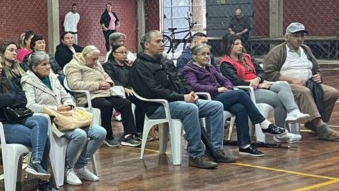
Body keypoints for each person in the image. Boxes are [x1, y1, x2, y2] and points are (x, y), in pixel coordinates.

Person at [129, 30, 232, 169]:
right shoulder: (140, 66)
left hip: (177, 101)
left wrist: (190, 92)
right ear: (146, 45)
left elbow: (180, 79)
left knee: (216, 106)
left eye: (162, 41)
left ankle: (215, 150)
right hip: (157, 107)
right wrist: (182, 97)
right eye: (158, 41)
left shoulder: (165, 61)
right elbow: (154, 90)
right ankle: (196, 155)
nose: (162, 44)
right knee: (190, 108)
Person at [0, 50, 59, 191]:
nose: (0, 66)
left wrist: (4, 98)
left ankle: (36, 161)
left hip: (15, 119)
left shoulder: (4, 81)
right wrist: (8, 97)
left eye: (1, 63)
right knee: (42, 138)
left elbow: (22, 99)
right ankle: (43, 183)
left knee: (42, 120)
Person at [180, 44, 288, 156]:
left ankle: (245, 145)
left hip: (220, 96)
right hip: (207, 99)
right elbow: (194, 86)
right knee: (240, 94)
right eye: (203, 54)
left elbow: (225, 80)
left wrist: (229, 89)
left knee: (240, 108)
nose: (207, 56)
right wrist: (216, 89)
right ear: (194, 56)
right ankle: (263, 123)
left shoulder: (210, 67)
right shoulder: (189, 70)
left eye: (208, 54)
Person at [21, 52, 104, 185]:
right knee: (80, 135)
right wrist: (55, 109)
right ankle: (67, 169)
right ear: (34, 68)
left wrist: (69, 104)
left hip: (67, 118)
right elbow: (30, 105)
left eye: (48, 63)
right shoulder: (27, 81)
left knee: (100, 133)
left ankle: (80, 166)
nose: (48, 67)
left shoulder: (53, 77)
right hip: (50, 121)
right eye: (44, 64)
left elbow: (66, 96)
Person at [261, 23, 339, 142]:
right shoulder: (277, 52)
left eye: (302, 36)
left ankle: (314, 123)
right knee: (304, 91)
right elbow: (268, 73)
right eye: (296, 36)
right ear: (287, 37)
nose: (300, 39)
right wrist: (291, 80)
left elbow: (316, 67)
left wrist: (318, 76)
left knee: (332, 93)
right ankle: (321, 127)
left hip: (308, 83)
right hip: (285, 86)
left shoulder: (306, 50)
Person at [219, 34, 307, 141]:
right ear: (228, 46)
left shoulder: (247, 57)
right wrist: (255, 84)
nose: (240, 46)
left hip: (260, 84)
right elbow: (235, 81)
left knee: (284, 85)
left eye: (241, 43)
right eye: (237, 44)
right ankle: (281, 133)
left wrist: (258, 80)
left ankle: (293, 112)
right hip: (247, 91)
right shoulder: (226, 63)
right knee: (280, 100)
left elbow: (262, 72)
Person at [64, 45, 140, 147]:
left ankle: (129, 135)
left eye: (97, 59)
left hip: (105, 93)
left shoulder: (96, 63)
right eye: (93, 59)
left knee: (125, 103)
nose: (96, 62)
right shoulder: (73, 66)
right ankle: (108, 136)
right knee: (106, 105)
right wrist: (97, 85)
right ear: (85, 56)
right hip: (88, 97)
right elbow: (74, 84)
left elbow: (106, 75)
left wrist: (109, 83)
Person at [104, 42, 146, 142]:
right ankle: (129, 134)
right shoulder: (108, 65)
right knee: (126, 104)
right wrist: (123, 88)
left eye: (125, 52)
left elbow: (135, 78)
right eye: (121, 52)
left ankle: (139, 131)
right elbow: (111, 79)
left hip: (130, 91)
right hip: (115, 92)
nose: (124, 54)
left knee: (143, 102)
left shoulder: (127, 65)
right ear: (114, 54)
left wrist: (133, 67)